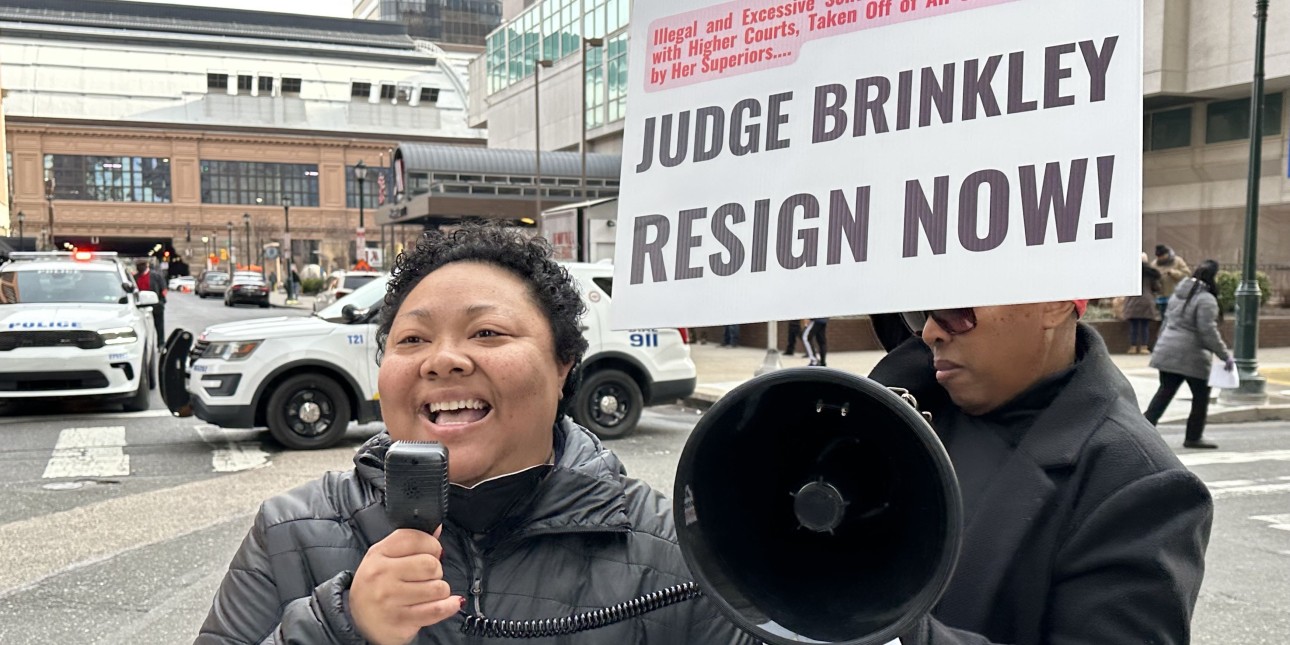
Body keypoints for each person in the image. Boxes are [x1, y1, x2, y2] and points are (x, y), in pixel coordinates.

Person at [196, 222, 754, 644]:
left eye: (486, 332)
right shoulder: (288, 533)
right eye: (412, 340)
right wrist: (339, 623)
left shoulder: (674, 548)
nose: (442, 360)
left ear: (564, 367)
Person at [869, 300, 1212, 645]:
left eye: (958, 310)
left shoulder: (1142, 486)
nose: (930, 332)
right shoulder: (886, 410)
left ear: (1055, 304)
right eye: (920, 313)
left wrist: (887, 627)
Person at [1144, 260, 1232, 450]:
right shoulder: (1206, 299)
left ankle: (1142, 432)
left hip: (1167, 350)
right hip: (1192, 356)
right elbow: (1208, 331)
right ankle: (1193, 437)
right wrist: (1225, 356)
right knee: (1201, 397)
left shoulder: (1179, 294)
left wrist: (1160, 345)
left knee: (1164, 392)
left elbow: (1166, 321)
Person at [1123, 252, 1162, 354]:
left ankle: (1133, 347)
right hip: (1146, 301)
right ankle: (1144, 347)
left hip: (1133, 301)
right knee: (1144, 326)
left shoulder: (1131, 272)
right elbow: (1156, 287)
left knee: (1134, 326)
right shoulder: (1151, 274)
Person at [1152, 244, 1190, 321]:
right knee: (1163, 319)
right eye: (1158, 257)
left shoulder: (1178, 261)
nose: (1160, 258)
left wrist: (1174, 273)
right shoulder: (1154, 264)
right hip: (1161, 296)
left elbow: (1187, 274)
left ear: (1167, 254)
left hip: (1175, 294)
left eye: (1162, 256)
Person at [134, 260, 166, 345]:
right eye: (138, 265)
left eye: (142, 264)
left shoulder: (156, 276)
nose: (140, 267)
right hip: (140, 306)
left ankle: (161, 344)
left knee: (159, 326)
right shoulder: (135, 277)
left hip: (155, 304)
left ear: (147, 265)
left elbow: (163, 289)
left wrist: (161, 301)